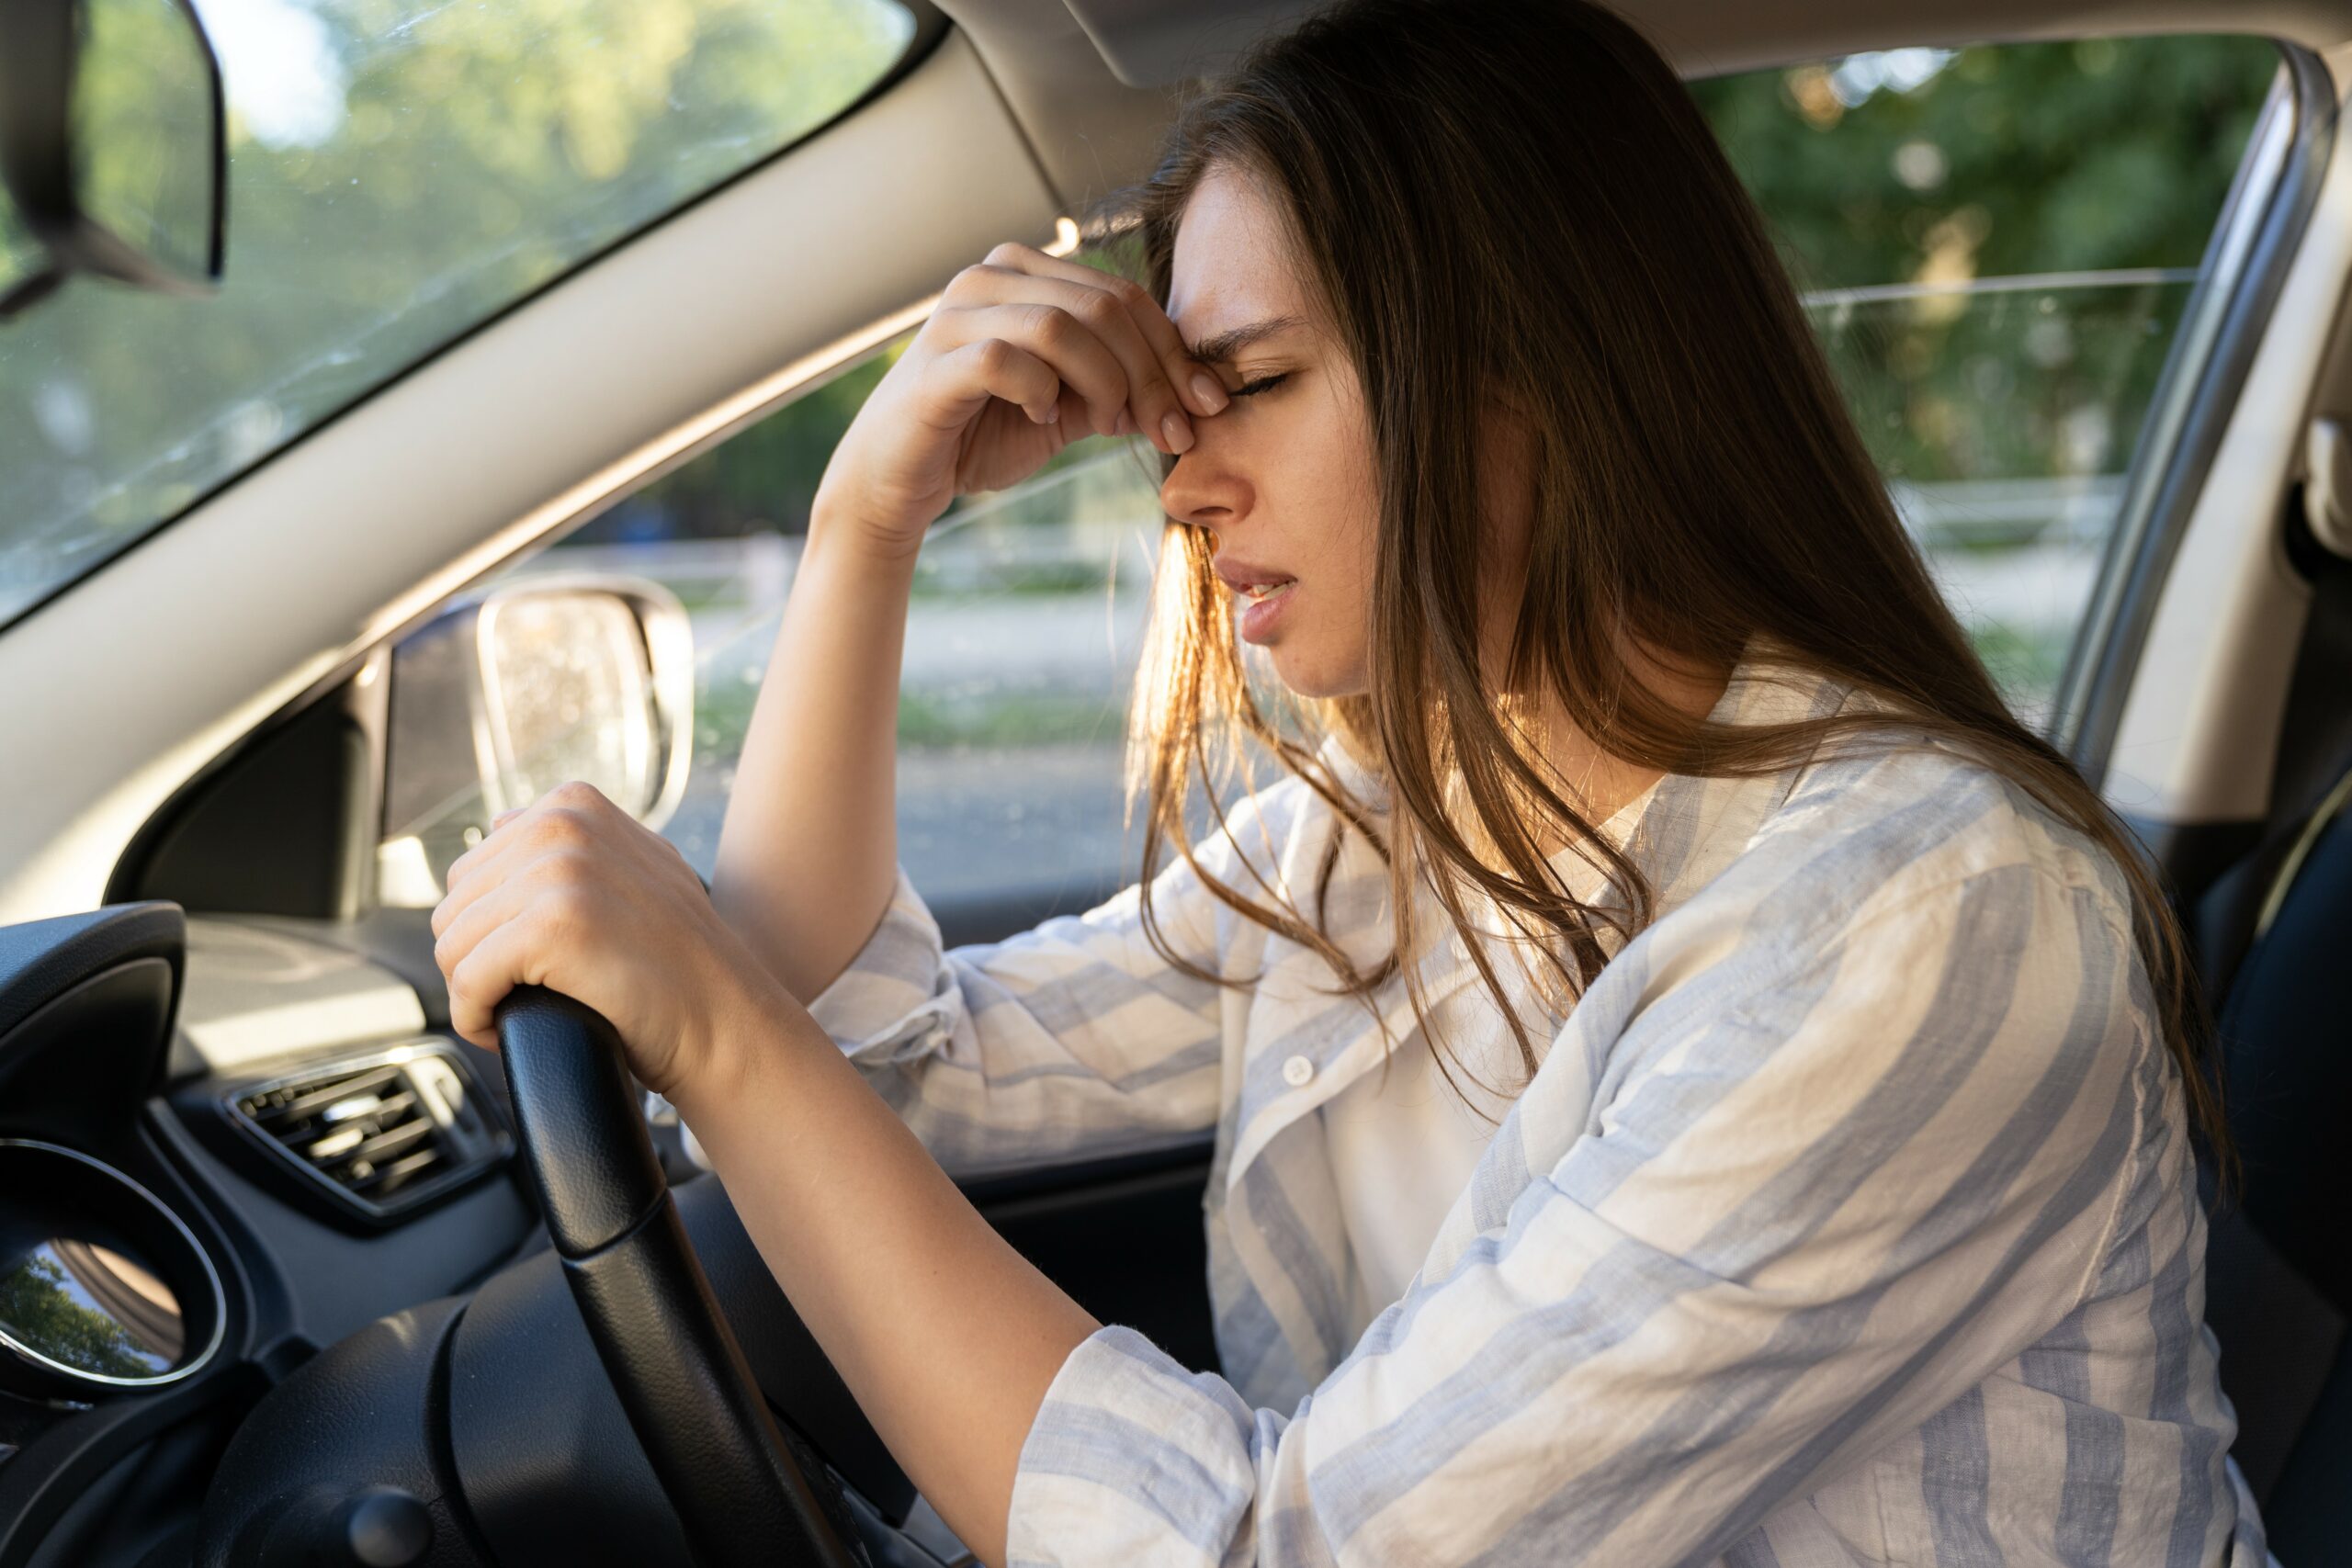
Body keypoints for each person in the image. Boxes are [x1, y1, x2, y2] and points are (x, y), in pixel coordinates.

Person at [427, 1, 2270, 1562]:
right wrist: (866, 520)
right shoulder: (1415, 813)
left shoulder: (1921, 918)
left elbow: (1263, 1542)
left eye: (1252, 379)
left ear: (1526, 372)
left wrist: (723, 1030)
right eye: (1181, 401)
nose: (1178, 482)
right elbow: (879, 1064)